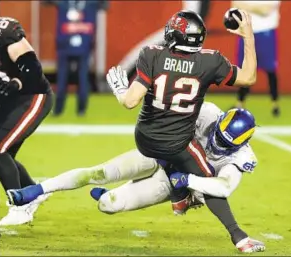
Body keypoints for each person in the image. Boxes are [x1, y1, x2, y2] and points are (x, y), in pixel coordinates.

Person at [8, 102, 265, 253]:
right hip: (159, 156)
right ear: (219, 121)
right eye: (217, 135)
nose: (216, 143)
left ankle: (108, 194)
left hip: (171, 182)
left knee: (108, 205)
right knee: (99, 172)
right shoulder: (206, 112)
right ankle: (35, 190)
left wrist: (188, 182)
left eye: (225, 143)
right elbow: (166, 124)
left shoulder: (241, 158)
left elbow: (223, 188)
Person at [106, 9, 256, 247]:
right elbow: (248, 77)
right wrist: (248, 35)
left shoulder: (152, 54)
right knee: (208, 178)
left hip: (145, 139)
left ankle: (178, 193)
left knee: (163, 156)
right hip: (178, 144)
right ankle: (238, 236)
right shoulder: (210, 61)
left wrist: (119, 91)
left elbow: (130, 102)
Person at [0, 17, 53, 226]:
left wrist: (17, 81)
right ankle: (32, 191)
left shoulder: (4, 33)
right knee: (5, 155)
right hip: (9, 101)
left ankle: (19, 206)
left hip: (32, 95)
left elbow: (32, 68)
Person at [43, 0, 108, 116]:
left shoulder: (64, 3)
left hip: (65, 46)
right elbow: (105, 5)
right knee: (81, 79)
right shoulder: (90, 4)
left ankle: (58, 110)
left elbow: (45, 2)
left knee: (63, 80)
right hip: (83, 46)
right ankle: (81, 110)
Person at [231, 1, 281, 116]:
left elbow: (266, 10)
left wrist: (246, 7)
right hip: (246, 31)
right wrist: (255, 8)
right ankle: (240, 103)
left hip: (265, 32)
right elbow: (235, 6)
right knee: (244, 68)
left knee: (270, 69)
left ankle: (275, 103)